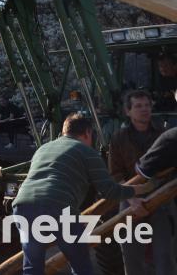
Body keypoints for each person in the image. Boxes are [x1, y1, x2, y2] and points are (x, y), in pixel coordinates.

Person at [13, 113, 153, 275]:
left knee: (32, 267)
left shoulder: (43, 149)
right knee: (81, 266)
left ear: (64, 132)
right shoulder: (87, 151)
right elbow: (110, 191)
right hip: (58, 207)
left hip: (23, 206)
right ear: (88, 133)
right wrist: (141, 189)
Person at [109, 90, 175, 275]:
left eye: (147, 105)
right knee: (131, 256)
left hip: (161, 198)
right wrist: (131, 200)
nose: (144, 109)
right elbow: (115, 174)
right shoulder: (118, 138)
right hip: (131, 199)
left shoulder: (164, 135)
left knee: (165, 255)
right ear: (128, 111)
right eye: (138, 106)